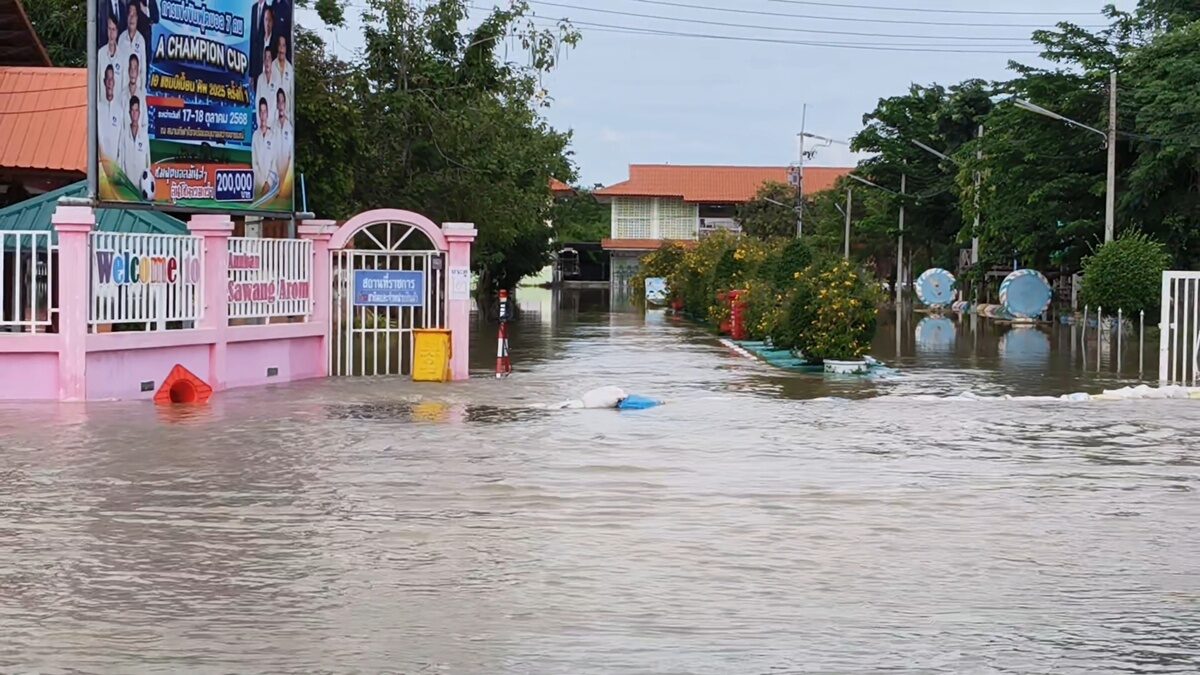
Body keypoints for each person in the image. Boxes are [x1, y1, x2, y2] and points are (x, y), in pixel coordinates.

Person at [118, 95, 150, 187]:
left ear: (139, 113)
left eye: (136, 110)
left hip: (141, 186)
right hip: (127, 186)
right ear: (129, 112)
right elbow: (120, 160)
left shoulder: (144, 136)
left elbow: (148, 163)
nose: (134, 113)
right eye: (132, 110)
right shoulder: (124, 135)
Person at [117, 2, 145, 95]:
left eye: (134, 14)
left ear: (137, 18)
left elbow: (143, 70)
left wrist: (142, 92)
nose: (132, 18)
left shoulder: (141, 40)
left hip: (137, 90)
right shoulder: (121, 38)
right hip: (122, 89)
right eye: (130, 14)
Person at [252, 97, 276, 196]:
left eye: (264, 111)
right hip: (258, 186)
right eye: (261, 112)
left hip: (272, 186)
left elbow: (275, 162)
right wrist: (262, 184)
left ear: (267, 113)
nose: (263, 115)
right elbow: (254, 163)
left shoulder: (273, 135)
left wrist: (268, 183)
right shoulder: (255, 135)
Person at [98, 65, 122, 164]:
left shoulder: (119, 109)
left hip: (116, 167)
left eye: (111, 79)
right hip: (100, 166)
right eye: (107, 79)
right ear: (104, 81)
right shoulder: (98, 108)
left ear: (114, 82)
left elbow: (121, 142)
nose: (109, 82)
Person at [96, 14, 123, 97]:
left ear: (117, 31)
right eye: (109, 29)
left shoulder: (123, 56)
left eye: (114, 29)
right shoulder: (101, 53)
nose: (111, 33)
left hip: (118, 106)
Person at [273, 87, 293, 180]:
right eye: (279, 102)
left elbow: (291, 154)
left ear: (285, 104)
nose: (281, 105)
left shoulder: (290, 127)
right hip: (274, 178)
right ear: (276, 104)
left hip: (287, 178)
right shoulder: (273, 127)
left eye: (283, 101)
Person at [272, 34, 293, 116]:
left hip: (287, 116)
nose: (281, 48)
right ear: (277, 47)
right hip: (273, 116)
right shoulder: (272, 67)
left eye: (283, 45)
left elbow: (291, 94)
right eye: (279, 45)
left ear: (286, 48)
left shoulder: (290, 69)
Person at [250, 0, 271, 81]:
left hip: (263, 46)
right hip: (255, 49)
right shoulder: (254, 8)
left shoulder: (268, 9)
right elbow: (253, 31)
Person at [254, 45, 277, 110]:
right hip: (262, 118)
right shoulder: (260, 78)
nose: (267, 61)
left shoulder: (277, 78)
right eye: (265, 58)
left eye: (269, 58)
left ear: (272, 60)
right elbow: (257, 101)